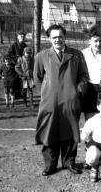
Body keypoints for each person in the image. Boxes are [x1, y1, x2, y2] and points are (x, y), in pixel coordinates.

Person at [34, 24, 89, 176]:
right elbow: (37, 78)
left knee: (70, 130)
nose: (58, 39)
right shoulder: (42, 56)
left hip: (70, 100)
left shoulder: (76, 55)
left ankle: (69, 162)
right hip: (49, 102)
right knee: (49, 131)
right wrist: (45, 95)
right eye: (54, 37)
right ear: (49, 38)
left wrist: (78, 91)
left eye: (60, 36)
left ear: (65, 37)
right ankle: (50, 164)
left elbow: (84, 76)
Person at [81, 24, 101, 119]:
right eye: (95, 41)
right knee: (89, 118)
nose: (98, 44)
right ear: (90, 41)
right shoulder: (83, 54)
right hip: (88, 88)